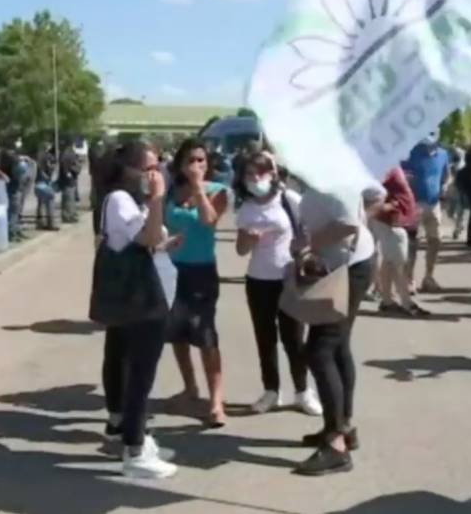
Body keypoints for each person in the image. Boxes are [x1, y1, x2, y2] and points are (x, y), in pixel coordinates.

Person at [100, 141, 178, 479]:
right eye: (150, 168)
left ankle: (134, 436)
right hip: (141, 299)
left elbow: (151, 240)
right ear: (130, 169)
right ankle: (134, 449)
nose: (156, 174)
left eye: (158, 167)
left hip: (148, 293)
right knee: (140, 373)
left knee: (132, 366)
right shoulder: (119, 199)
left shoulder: (133, 201)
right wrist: (158, 200)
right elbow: (148, 239)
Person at [234, 151, 322, 415]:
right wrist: (249, 239)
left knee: (293, 338)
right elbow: (240, 250)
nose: (254, 179)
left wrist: (303, 245)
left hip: (288, 278)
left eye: (260, 173)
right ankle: (271, 391)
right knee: (265, 338)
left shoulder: (289, 199)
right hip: (258, 280)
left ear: (272, 174)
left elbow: (310, 230)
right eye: (249, 174)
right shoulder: (246, 208)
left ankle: (303, 392)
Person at [295, 186, 375, 476]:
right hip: (337, 267)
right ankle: (342, 426)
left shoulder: (337, 181)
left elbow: (349, 225)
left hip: (349, 270)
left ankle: (336, 444)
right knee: (338, 346)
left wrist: (310, 243)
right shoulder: (314, 181)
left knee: (320, 350)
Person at [165, 138, 229, 427]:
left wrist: (198, 188)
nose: (196, 165)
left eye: (201, 160)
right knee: (176, 333)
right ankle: (189, 387)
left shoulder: (217, 191)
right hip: (171, 269)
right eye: (190, 160)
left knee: (205, 335)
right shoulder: (171, 191)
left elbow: (208, 220)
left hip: (201, 271)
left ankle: (216, 402)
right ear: (180, 163)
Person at [371, 167, 429, 317]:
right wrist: (386, 206)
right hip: (392, 222)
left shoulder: (391, 166)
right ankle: (406, 303)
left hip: (393, 221)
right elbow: (371, 189)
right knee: (399, 264)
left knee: (389, 261)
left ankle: (387, 301)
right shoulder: (386, 166)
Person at [403, 133, 451, 293]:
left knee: (435, 240)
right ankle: (409, 279)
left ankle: (429, 277)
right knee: (412, 243)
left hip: (434, 203)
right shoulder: (410, 153)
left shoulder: (443, 154)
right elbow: (403, 175)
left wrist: (445, 185)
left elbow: (447, 175)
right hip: (414, 203)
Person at [0, 137, 27, 242]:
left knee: (13, 209)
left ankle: (14, 230)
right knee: (14, 209)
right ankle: (12, 232)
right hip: (14, 185)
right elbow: (19, 170)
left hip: (10, 184)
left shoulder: (3, 156)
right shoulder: (11, 157)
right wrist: (21, 160)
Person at [35, 142, 59, 231]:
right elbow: (43, 169)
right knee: (50, 201)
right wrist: (48, 177)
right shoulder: (46, 156)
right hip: (44, 182)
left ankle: (40, 223)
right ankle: (50, 224)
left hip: (39, 182)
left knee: (40, 203)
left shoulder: (39, 156)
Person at [59, 138, 81, 224]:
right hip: (70, 179)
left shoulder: (65, 153)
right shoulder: (69, 154)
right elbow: (66, 167)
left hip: (68, 179)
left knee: (68, 198)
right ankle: (69, 216)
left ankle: (68, 215)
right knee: (69, 199)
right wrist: (68, 174)